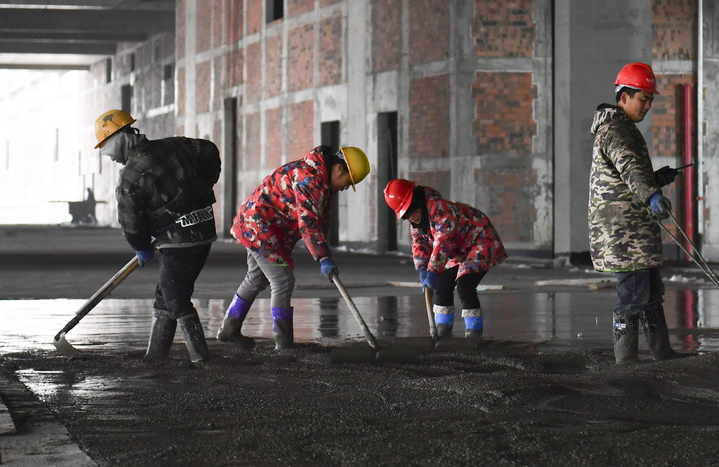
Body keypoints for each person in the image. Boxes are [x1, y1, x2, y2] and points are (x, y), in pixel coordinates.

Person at [93, 109, 221, 364]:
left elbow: (130, 221)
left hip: (178, 241)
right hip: (203, 230)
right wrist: (203, 186)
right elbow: (210, 150)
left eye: (107, 147)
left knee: (175, 297)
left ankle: (201, 358)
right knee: (166, 292)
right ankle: (155, 355)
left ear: (119, 137)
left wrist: (140, 246)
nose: (110, 157)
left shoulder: (131, 176)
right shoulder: (175, 145)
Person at [217, 145, 370, 350]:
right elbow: (309, 222)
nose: (345, 187)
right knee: (282, 280)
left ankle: (229, 329)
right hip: (259, 227)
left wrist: (322, 250)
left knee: (256, 277)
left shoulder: (321, 180)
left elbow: (319, 219)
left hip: (260, 226)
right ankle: (283, 344)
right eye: (348, 182)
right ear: (339, 169)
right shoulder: (310, 179)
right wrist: (323, 257)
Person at [589, 62, 684, 364]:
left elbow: (625, 178)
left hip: (632, 230)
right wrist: (653, 194)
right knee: (631, 296)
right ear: (624, 96)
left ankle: (662, 352)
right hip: (624, 233)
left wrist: (656, 180)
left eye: (651, 100)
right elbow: (630, 168)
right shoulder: (616, 129)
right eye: (643, 99)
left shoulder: (622, 127)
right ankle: (625, 361)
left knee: (651, 291)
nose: (648, 106)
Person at [383, 179, 507, 339]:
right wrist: (422, 268)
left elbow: (443, 243)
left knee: (465, 285)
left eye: (411, 212)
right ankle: (442, 332)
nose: (410, 219)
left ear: (417, 203)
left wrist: (433, 271)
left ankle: (473, 334)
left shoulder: (442, 210)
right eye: (406, 216)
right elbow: (419, 243)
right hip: (458, 250)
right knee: (442, 286)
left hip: (479, 241)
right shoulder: (417, 220)